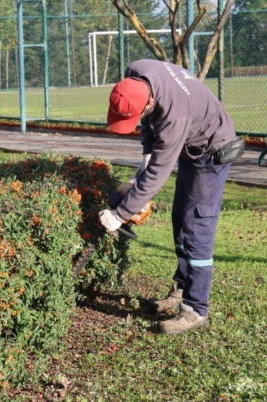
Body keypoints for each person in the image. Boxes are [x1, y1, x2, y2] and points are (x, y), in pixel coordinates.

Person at [99, 59, 243, 334]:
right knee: (180, 218)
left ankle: (195, 310)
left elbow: (157, 175)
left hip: (210, 151)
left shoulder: (174, 117)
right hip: (190, 143)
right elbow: (150, 130)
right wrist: (142, 165)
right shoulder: (137, 70)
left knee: (196, 227)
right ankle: (180, 288)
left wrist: (119, 215)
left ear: (150, 102)